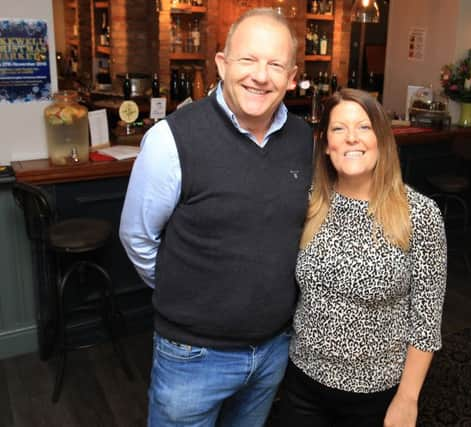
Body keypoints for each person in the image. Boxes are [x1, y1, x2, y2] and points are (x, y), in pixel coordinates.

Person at [119, 8, 313, 427]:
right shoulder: (170, 140)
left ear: (292, 75)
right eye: (248, 59)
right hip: (192, 357)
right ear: (222, 64)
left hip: (273, 349)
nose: (261, 76)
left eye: (275, 64)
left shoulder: (302, 139)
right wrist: (186, 289)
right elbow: (137, 236)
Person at [277, 88, 447, 427]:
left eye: (364, 127)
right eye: (339, 129)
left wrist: (407, 399)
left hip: (376, 393)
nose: (352, 138)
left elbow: (425, 322)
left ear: (382, 139)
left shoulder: (420, 215)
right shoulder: (308, 204)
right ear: (326, 144)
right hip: (302, 383)